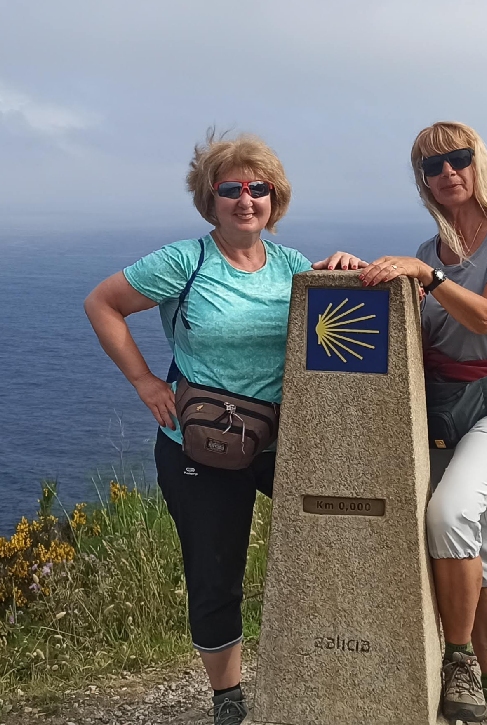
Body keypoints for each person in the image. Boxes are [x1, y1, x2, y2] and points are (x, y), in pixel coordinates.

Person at [83, 131, 359, 725]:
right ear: (210, 200)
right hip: (198, 447)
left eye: (257, 189)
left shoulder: (290, 265)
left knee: (335, 537)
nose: (245, 199)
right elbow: (101, 303)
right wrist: (146, 383)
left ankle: (329, 660)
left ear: (273, 199)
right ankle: (228, 699)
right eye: (229, 189)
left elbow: (334, 317)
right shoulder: (186, 262)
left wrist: (344, 270)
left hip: (278, 441)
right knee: (215, 572)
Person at [357, 121, 487, 724]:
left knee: (449, 514)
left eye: (457, 159)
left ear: (478, 164)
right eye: (432, 167)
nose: (447, 173)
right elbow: (411, 338)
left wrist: (431, 279)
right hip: (443, 410)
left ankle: (460, 660)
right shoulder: (425, 252)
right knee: (479, 541)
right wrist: (353, 275)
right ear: (423, 181)